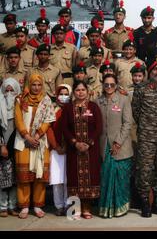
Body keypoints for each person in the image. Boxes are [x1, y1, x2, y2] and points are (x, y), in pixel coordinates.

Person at [132, 57, 157, 217]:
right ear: (150, 72)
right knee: (145, 171)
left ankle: (156, 202)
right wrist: (146, 126)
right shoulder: (141, 89)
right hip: (147, 137)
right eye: (155, 70)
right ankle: (144, 203)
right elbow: (136, 111)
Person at [14, 74, 56, 219]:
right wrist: (27, 136)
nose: (36, 88)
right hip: (23, 141)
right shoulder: (20, 99)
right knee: (24, 176)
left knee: (39, 176)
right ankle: (24, 206)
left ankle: (37, 205)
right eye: (33, 85)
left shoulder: (46, 100)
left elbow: (48, 120)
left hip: (40, 142)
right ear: (29, 84)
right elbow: (18, 120)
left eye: (39, 85)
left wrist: (37, 136)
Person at [60, 80, 103, 219]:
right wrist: (74, 143)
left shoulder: (94, 107)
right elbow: (64, 128)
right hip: (74, 150)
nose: (80, 92)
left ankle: (86, 208)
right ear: (74, 92)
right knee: (74, 177)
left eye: (83, 90)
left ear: (87, 91)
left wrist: (89, 143)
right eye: (77, 90)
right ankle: (75, 208)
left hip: (91, 149)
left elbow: (99, 127)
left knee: (90, 177)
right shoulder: (67, 108)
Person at [96, 74, 133, 218]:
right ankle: (106, 208)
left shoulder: (124, 100)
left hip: (121, 146)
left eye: (112, 84)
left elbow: (127, 123)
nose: (109, 87)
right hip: (104, 145)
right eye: (106, 85)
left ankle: (120, 207)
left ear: (116, 85)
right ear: (103, 85)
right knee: (105, 178)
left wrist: (118, 142)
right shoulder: (98, 101)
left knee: (121, 178)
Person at [46, 84, 71, 216]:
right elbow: (48, 129)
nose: (63, 96)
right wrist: (56, 146)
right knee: (57, 180)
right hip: (56, 150)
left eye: (66, 94)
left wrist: (67, 146)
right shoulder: (52, 110)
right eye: (61, 94)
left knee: (68, 180)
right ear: (56, 95)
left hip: (69, 150)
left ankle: (68, 205)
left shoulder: (72, 109)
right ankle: (59, 206)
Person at [0, 78, 21, 217]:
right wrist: (2, 145)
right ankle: (2, 206)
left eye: (11, 90)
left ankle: (13, 206)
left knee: (14, 179)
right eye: (6, 90)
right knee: (1, 177)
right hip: (2, 147)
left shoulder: (21, 107)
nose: (9, 94)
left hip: (16, 147)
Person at [50, 21, 77, 86]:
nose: (59, 35)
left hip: (67, 80)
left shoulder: (72, 48)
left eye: (61, 33)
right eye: (57, 33)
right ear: (53, 35)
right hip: (53, 80)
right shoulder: (49, 49)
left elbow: (74, 65)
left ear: (65, 35)